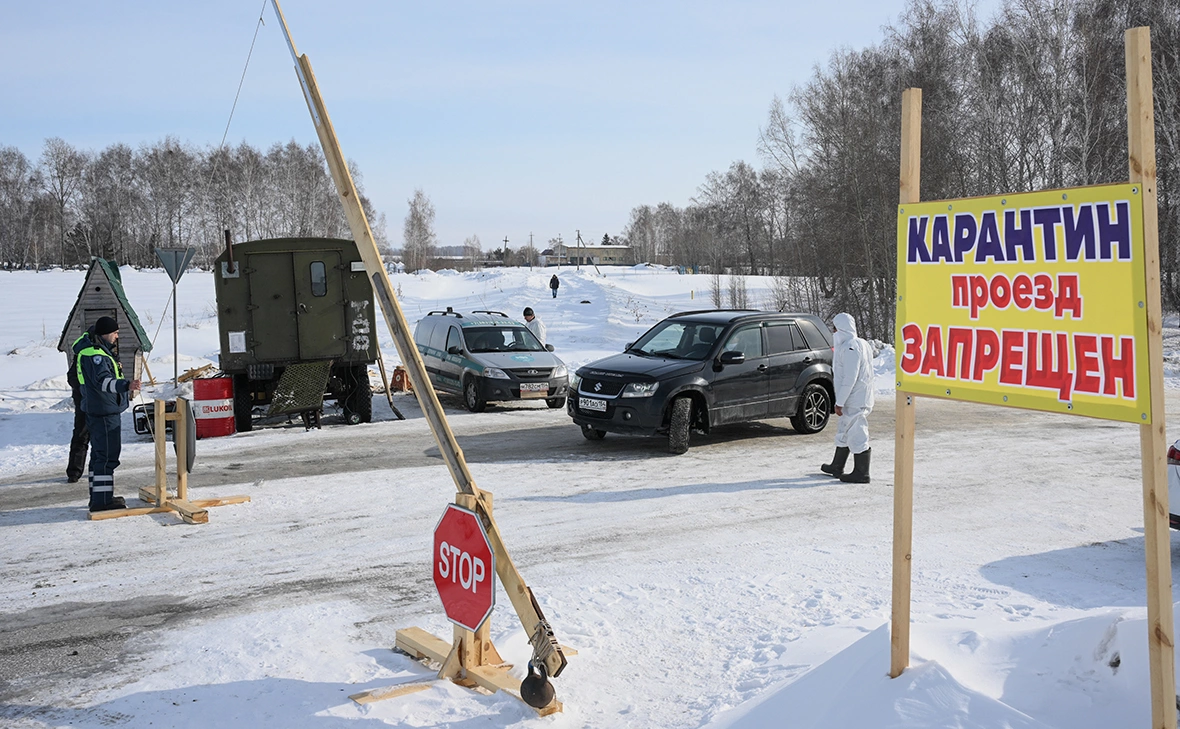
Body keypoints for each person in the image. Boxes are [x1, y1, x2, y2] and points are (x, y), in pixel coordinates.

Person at [77, 316, 140, 512]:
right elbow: (104, 382)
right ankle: (102, 501)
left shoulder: (95, 351)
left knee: (98, 456)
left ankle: (98, 497)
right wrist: (126, 385)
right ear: (105, 333)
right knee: (106, 457)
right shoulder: (95, 356)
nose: (117, 337)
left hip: (100, 409)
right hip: (104, 411)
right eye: (115, 333)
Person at [821, 312, 875, 483]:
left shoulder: (851, 347)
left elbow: (849, 378)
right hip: (856, 397)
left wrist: (840, 402)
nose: (834, 332)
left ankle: (861, 472)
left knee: (857, 432)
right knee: (844, 429)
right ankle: (837, 465)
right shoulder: (860, 344)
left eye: (835, 328)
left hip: (854, 399)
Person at [65, 326, 96, 483]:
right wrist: (85, 390)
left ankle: (80, 471)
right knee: (82, 435)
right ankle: (75, 472)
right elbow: (72, 377)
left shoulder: (90, 350)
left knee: (83, 435)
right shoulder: (86, 353)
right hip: (85, 401)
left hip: (87, 400)